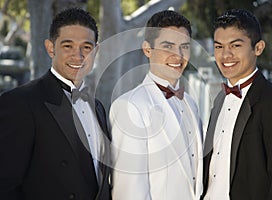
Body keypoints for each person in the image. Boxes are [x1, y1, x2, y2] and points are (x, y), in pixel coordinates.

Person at [0, 7, 111, 200]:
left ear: (96, 50)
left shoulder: (99, 108)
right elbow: (5, 185)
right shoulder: (20, 103)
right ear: (51, 48)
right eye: (68, 46)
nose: (78, 56)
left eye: (86, 47)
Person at [202, 8, 272, 200]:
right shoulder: (220, 100)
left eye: (236, 45)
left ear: (258, 48)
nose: (225, 55)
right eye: (219, 47)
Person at [109, 10, 203, 200]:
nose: (178, 55)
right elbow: (129, 190)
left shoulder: (191, 104)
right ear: (147, 49)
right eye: (167, 46)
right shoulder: (130, 106)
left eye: (184, 46)